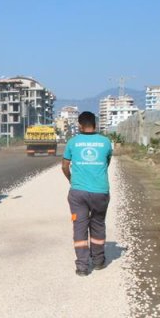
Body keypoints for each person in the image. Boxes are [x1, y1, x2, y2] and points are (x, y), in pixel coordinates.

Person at [61, 111, 113, 276]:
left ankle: (82, 267)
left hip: (78, 193)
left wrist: (71, 179)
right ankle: (98, 261)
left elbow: (64, 166)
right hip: (101, 192)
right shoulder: (105, 142)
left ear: (79, 125)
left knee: (79, 227)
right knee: (98, 224)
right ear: (95, 124)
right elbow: (107, 162)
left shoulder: (72, 142)